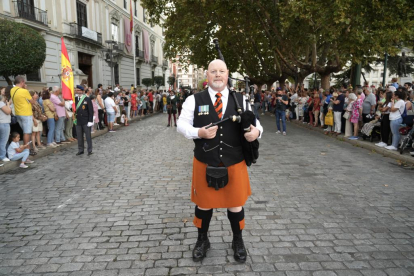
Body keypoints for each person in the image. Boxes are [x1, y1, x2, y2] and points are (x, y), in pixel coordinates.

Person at [177, 59, 263, 263]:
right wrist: (198, 132)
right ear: (207, 75)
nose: (217, 75)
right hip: (205, 160)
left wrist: (256, 132)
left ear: (227, 74)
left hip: (234, 161)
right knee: (203, 205)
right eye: (213, 71)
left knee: (236, 205)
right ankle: (202, 240)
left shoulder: (241, 99)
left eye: (221, 71)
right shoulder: (194, 99)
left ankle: (238, 240)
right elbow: (181, 124)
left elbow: (256, 123)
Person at [10, 76, 36, 153]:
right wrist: (25, 89)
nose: (25, 84)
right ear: (22, 82)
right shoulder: (24, 91)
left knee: (25, 132)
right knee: (27, 133)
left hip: (18, 114)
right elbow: (32, 101)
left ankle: (27, 148)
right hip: (26, 113)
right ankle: (27, 149)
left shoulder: (12, 90)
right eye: (24, 82)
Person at [75, 87, 94, 156]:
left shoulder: (87, 99)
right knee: (79, 136)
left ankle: (89, 150)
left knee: (88, 136)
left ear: (82, 91)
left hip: (86, 120)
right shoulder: (75, 99)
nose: (78, 91)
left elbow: (90, 110)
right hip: (78, 120)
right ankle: (80, 149)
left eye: (79, 90)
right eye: (77, 90)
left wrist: (90, 120)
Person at [0, 94, 11, 162]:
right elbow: (8, 112)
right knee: (3, 141)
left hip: (2, 123)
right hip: (4, 123)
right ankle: (2, 156)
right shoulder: (1, 103)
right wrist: (8, 104)